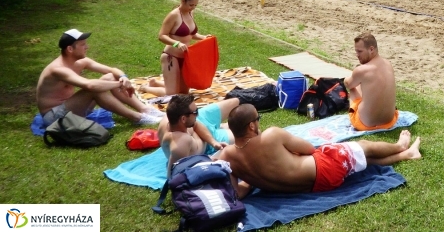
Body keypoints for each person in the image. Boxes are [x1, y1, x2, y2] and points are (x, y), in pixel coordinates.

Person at [216, 104, 421, 196]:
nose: (260, 122)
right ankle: (399, 146)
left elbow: (237, 193)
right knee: (363, 147)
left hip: (306, 188)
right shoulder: (271, 136)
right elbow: (308, 149)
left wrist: (251, 181)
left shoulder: (227, 157)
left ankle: (405, 154)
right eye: (257, 119)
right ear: (251, 126)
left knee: (357, 160)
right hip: (324, 171)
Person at [36, 29, 163, 126]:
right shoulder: (58, 69)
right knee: (95, 89)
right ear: (70, 49)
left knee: (110, 77)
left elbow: (112, 70)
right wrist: (120, 84)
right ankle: (138, 118)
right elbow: (90, 86)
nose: (87, 47)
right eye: (83, 45)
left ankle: (145, 109)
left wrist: (123, 77)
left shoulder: (80, 61)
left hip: (73, 108)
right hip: (54, 117)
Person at [141, 0, 208, 97]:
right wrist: (176, 43)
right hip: (171, 57)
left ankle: (156, 83)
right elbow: (161, 36)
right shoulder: (173, 15)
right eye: (191, 5)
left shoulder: (190, 13)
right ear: (183, 0)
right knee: (172, 94)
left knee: (184, 93)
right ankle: (145, 88)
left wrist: (204, 37)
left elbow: (191, 34)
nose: (193, 8)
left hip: (185, 57)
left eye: (195, 5)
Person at [157, 94, 239, 176]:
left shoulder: (172, 118)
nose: (197, 114)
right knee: (244, 132)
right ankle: (223, 127)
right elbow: (172, 176)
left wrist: (213, 142)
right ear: (183, 119)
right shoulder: (180, 143)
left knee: (236, 101)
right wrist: (206, 160)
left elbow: (195, 124)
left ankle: (223, 126)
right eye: (195, 112)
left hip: (205, 128)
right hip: (209, 145)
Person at [344, 33, 398, 130]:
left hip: (366, 124)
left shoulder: (361, 70)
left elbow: (348, 84)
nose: (357, 55)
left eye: (360, 51)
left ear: (371, 49)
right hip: (390, 121)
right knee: (365, 82)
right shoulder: (388, 64)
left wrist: (345, 80)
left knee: (353, 86)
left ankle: (367, 114)